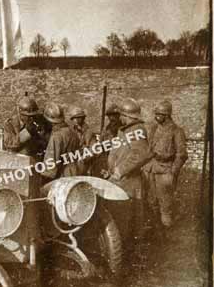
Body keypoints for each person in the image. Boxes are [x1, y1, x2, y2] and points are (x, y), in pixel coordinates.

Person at [106, 98, 151, 240]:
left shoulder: (136, 130)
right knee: (119, 216)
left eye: (122, 115)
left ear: (128, 116)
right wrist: (111, 169)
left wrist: (120, 170)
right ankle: (121, 246)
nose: (119, 118)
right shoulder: (125, 130)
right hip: (120, 180)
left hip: (128, 182)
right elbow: (121, 153)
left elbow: (141, 154)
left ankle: (128, 250)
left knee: (126, 217)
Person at [142, 100, 187, 229]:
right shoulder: (154, 128)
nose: (156, 117)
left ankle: (166, 234)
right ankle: (155, 231)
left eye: (158, 114)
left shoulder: (177, 131)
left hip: (165, 171)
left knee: (165, 204)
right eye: (156, 114)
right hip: (150, 169)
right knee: (151, 201)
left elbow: (181, 155)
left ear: (166, 115)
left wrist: (173, 172)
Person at [38, 103, 84, 180]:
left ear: (49, 121)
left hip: (61, 176)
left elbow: (50, 166)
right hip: (75, 172)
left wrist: (43, 178)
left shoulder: (57, 136)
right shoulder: (72, 131)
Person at [67, 105, 98, 173]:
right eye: (74, 118)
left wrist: (83, 159)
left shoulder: (88, 132)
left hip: (84, 164)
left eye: (78, 118)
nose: (76, 120)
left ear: (82, 118)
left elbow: (93, 149)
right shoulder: (71, 130)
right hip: (72, 163)